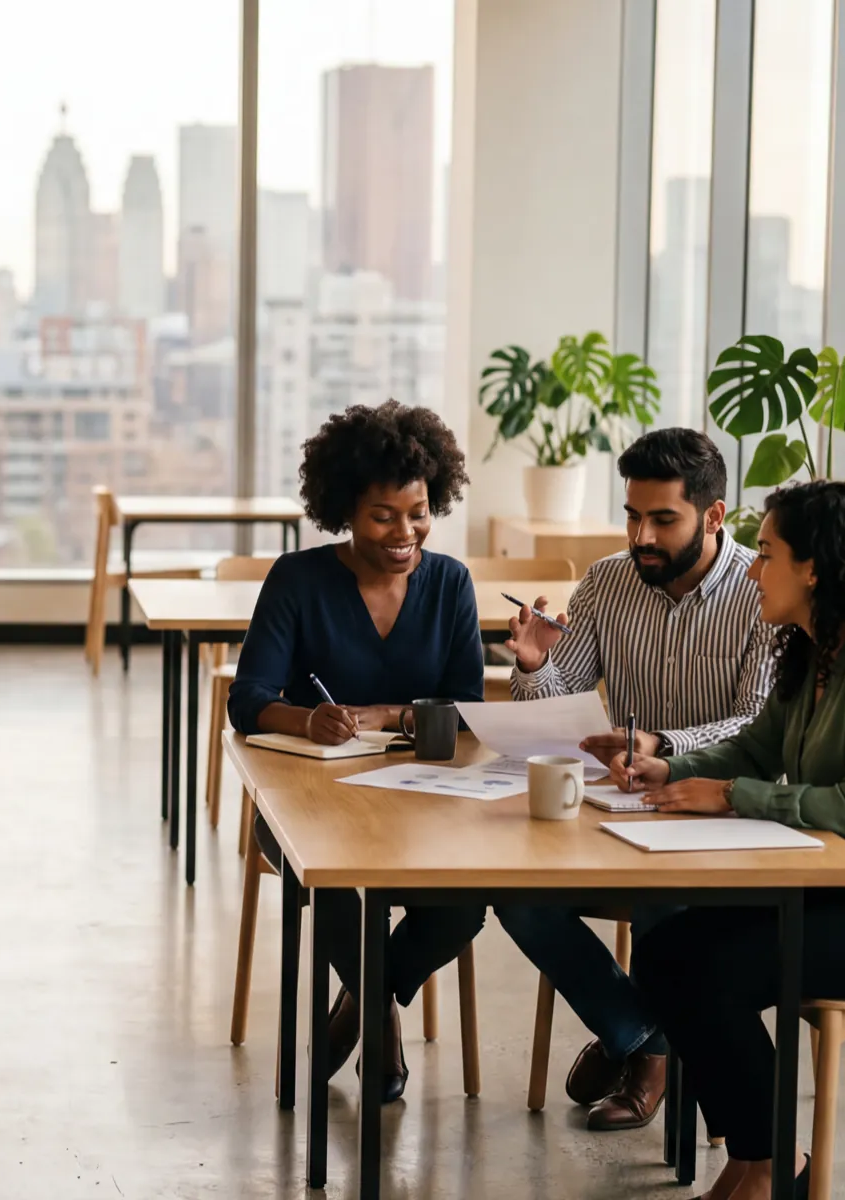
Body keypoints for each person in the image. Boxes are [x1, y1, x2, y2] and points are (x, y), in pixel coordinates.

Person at [618, 481, 845, 1200]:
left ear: (814, 568)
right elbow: (751, 748)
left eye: (765, 554)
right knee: (668, 953)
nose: (750, 569)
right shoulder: (815, 652)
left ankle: (771, 1167)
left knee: (711, 971)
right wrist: (668, 768)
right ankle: (760, 1157)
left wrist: (734, 797)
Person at [495, 427, 774, 1131]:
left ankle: (647, 1056)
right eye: (632, 515)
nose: (641, 535)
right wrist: (533, 666)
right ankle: (642, 1037)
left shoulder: (760, 593)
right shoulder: (609, 581)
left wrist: (667, 747)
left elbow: (756, 728)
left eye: (662, 519)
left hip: (716, 815)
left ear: (713, 517)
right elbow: (562, 700)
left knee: (665, 907)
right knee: (513, 892)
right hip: (615, 808)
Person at [227, 400, 486, 1104]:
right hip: (310, 800)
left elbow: (469, 706)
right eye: (384, 515)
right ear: (346, 508)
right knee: (334, 881)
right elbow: (246, 699)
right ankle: (381, 1019)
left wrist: (389, 716)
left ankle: (361, 1011)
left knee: (468, 901)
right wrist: (306, 719)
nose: (406, 532)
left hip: (428, 802)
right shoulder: (298, 580)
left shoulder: (450, 584)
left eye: (420, 511)